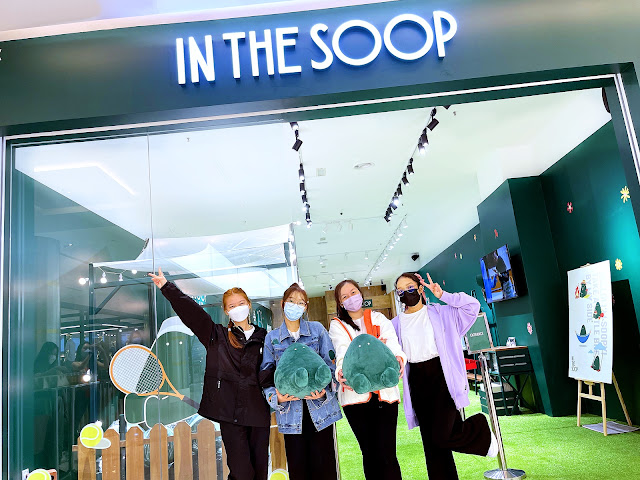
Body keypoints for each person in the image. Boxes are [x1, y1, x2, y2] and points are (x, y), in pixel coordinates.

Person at [150, 267, 271, 480]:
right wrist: (167, 287)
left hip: (258, 413)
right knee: (242, 473)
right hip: (230, 414)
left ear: (249, 305)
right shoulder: (216, 335)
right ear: (226, 311)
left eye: (241, 303)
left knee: (260, 471)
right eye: (232, 306)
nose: (238, 308)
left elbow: (273, 371)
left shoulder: (265, 337)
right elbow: (192, 313)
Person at [391, 272, 498, 480]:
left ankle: (481, 431)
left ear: (420, 289)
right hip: (416, 381)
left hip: (442, 378)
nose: (406, 292)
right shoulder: (395, 324)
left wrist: (444, 296)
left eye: (410, 287)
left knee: (442, 436)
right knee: (432, 445)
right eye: (401, 290)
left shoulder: (442, 313)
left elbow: (473, 306)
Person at [261, 283, 342, 480]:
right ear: (283, 304)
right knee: (299, 470)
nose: (295, 305)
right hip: (290, 415)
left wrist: (326, 391)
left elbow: (331, 365)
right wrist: (276, 398)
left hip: (321, 411)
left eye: (300, 302)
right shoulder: (272, 338)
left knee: (326, 469)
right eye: (291, 301)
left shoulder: (317, 330)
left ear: (305, 307)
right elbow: (265, 375)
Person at [328, 279, 406, 480]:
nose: (350, 298)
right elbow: (342, 352)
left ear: (361, 294)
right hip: (356, 398)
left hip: (384, 395)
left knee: (388, 453)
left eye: (353, 292)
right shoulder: (338, 325)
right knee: (370, 454)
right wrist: (341, 371)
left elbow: (393, 345)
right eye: (345, 296)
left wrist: (399, 358)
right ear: (340, 303)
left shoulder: (379, 318)